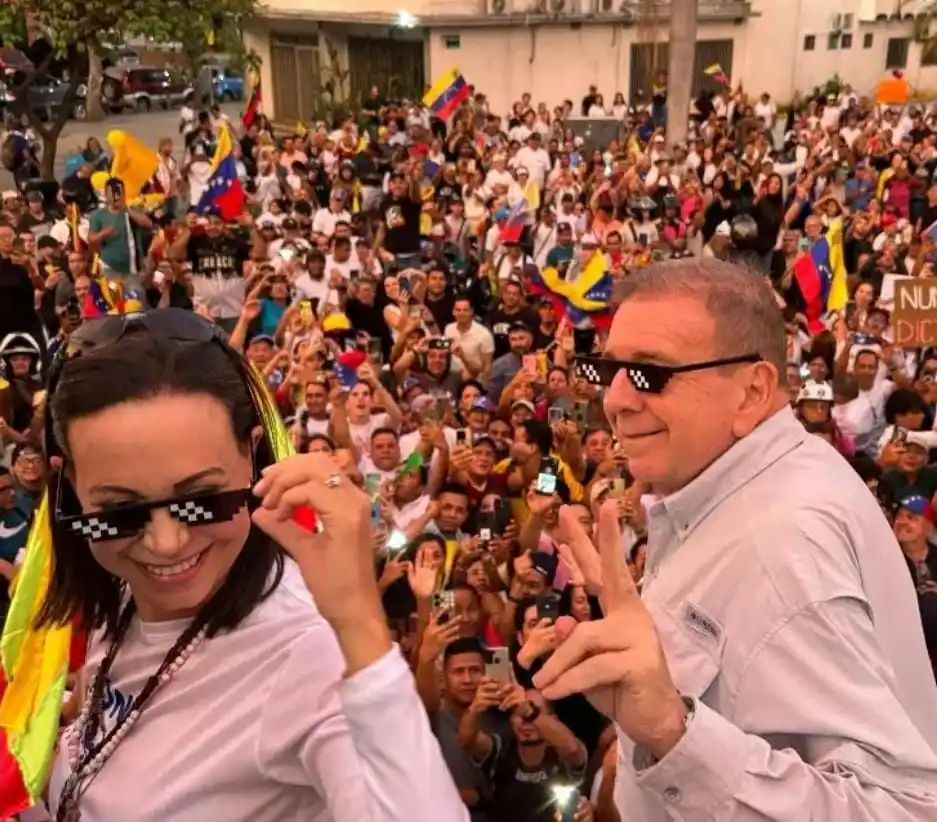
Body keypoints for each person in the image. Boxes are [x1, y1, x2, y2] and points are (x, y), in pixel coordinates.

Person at [534, 258, 937, 820]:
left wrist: (675, 736)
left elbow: (904, 808)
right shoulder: (742, 484)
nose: (616, 400)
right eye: (611, 370)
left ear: (751, 392)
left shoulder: (784, 544)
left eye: (650, 374)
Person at [37, 309, 467, 822]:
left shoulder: (307, 653)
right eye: (119, 512)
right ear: (69, 488)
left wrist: (359, 624)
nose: (167, 542)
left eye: (201, 499)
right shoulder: (120, 588)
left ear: (253, 454)